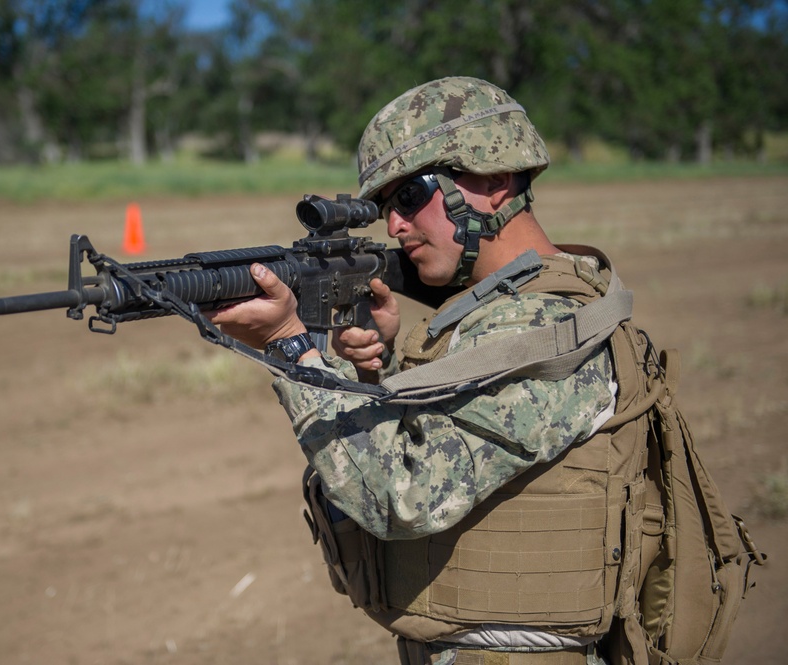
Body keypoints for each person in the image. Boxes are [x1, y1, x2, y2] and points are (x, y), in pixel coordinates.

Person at [206, 77, 660, 665]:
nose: (394, 226)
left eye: (410, 196)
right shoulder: (502, 313)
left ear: (494, 183)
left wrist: (292, 348)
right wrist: (379, 371)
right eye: (385, 207)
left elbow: (405, 493)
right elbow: (451, 442)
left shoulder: (549, 325)